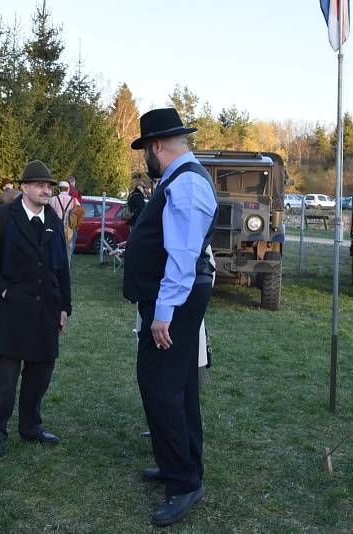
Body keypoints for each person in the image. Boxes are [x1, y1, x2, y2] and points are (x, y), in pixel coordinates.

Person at [123, 108, 217, 526]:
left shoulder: (187, 181)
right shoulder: (183, 179)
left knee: (160, 387)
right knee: (178, 387)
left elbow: (182, 255)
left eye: (146, 149)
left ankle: (183, 482)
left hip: (175, 302)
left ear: (157, 146)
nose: (146, 157)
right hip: (175, 300)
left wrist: (163, 313)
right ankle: (178, 463)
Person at [0, 160, 72, 457]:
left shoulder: (55, 222)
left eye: (49, 186)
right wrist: (2, 289)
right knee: (6, 376)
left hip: (47, 309)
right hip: (14, 308)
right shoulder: (3, 217)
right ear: (25, 188)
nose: (47, 190)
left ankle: (30, 426)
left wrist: (65, 307)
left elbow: (63, 269)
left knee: (40, 373)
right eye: (41, 185)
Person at [49, 180, 80, 263]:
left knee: (55, 248)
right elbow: (79, 213)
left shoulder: (53, 199)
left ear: (59, 190)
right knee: (68, 249)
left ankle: (55, 265)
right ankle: (66, 267)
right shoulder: (74, 200)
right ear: (68, 189)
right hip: (69, 227)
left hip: (55, 227)